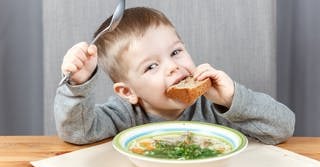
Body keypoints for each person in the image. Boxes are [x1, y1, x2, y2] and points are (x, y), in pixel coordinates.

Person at [54, 7, 295, 145]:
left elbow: (283, 127)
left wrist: (232, 98)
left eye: (176, 52)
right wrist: (78, 84)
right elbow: (77, 132)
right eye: (151, 66)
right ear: (128, 92)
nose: (172, 67)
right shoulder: (123, 115)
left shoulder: (214, 107)